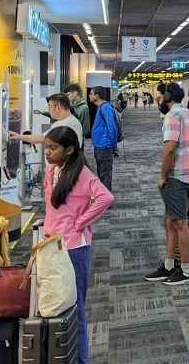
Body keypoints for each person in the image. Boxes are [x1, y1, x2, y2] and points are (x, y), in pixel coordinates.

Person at [42, 126, 113, 364]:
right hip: (50, 245)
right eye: (46, 147)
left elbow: (105, 197)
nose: (47, 152)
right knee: (53, 303)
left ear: (70, 150)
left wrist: (81, 222)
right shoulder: (51, 171)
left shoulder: (81, 173)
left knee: (75, 306)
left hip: (73, 248)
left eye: (53, 148)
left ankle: (81, 359)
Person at [144, 83, 189, 286]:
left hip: (175, 176)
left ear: (168, 97)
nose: (158, 99)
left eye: (160, 95)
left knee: (179, 223)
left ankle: (186, 271)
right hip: (187, 174)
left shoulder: (172, 116)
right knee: (170, 221)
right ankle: (168, 266)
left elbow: (169, 149)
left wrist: (162, 175)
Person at [10, 93, 84, 148]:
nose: (49, 110)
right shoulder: (61, 123)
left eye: (49, 107)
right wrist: (19, 136)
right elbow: (42, 137)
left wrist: (19, 137)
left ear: (58, 108)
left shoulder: (70, 124)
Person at [88, 86, 118, 192]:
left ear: (97, 96)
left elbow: (112, 128)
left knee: (105, 174)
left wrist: (114, 146)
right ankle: (104, 195)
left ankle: (106, 197)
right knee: (101, 173)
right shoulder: (100, 107)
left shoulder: (105, 107)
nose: (89, 96)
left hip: (105, 146)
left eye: (91, 94)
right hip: (100, 146)